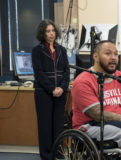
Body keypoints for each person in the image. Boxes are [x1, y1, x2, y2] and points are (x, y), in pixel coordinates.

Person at [32, 19, 70, 160]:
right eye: (48, 31)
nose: (51, 33)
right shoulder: (37, 50)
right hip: (43, 93)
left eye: (53, 30)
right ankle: (47, 156)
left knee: (58, 126)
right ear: (43, 33)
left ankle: (57, 153)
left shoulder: (62, 50)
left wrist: (62, 87)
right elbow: (39, 73)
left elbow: (67, 71)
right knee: (45, 127)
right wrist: (52, 88)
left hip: (60, 93)